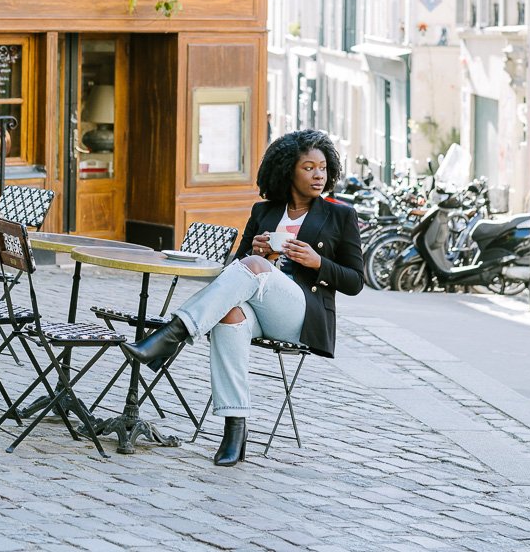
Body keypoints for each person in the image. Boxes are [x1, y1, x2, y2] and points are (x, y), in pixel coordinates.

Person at [123, 129, 364, 466]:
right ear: (288, 171)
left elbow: (355, 281)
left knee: (249, 269)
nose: (318, 175)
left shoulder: (340, 215)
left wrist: (318, 262)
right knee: (228, 315)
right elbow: (235, 270)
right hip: (257, 309)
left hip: (300, 315)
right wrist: (256, 252)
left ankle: (172, 334)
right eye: (308, 167)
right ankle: (234, 430)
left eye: (323, 167)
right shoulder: (263, 212)